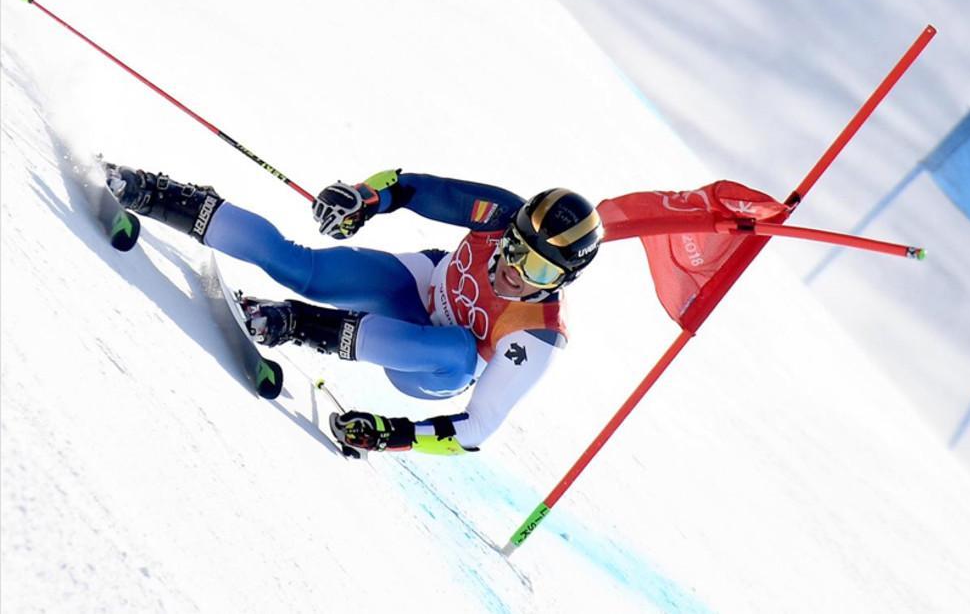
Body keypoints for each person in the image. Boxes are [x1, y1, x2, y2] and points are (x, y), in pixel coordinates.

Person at [105, 164, 603, 456]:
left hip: (427, 368)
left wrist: (396, 436)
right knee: (305, 269)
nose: (515, 271)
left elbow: (476, 429)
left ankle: (295, 323)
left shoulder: (536, 335)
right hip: (421, 286)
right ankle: (160, 196)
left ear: (563, 280)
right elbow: (406, 186)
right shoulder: (497, 210)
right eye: (514, 249)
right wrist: (364, 198)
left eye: (538, 272)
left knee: (457, 350)